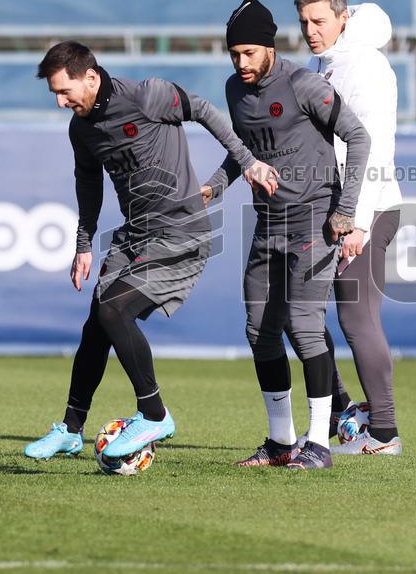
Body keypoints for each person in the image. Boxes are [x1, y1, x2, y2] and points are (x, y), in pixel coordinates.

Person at [26, 41, 275, 460]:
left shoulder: (147, 96)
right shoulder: (80, 129)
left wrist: (247, 162)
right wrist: (84, 243)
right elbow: (88, 183)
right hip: (134, 235)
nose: (59, 102)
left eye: (64, 91)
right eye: (54, 94)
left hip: (180, 232)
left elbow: (204, 110)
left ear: (91, 77)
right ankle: (70, 429)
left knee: (113, 311)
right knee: (97, 322)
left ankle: (155, 414)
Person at [202, 0, 370, 470]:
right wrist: (215, 186)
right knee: (259, 330)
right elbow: (244, 149)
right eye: (234, 54)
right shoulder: (235, 90)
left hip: (314, 222)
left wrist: (346, 211)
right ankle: (281, 442)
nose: (241, 63)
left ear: (270, 48)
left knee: (305, 325)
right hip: (268, 224)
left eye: (249, 53)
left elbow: (358, 136)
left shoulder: (304, 85)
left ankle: (319, 444)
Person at [294, 0, 404, 455]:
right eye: (304, 22)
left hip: (368, 210)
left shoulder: (366, 66)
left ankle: (384, 433)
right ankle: (343, 411)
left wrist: (357, 221)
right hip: (332, 209)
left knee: (357, 320)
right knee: (295, 310)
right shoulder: (326, 63)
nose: (310, 30)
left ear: (343, 19)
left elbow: (373, 145)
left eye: (319, 21)